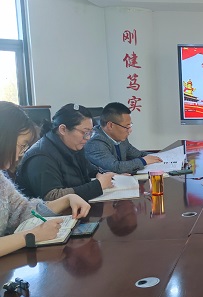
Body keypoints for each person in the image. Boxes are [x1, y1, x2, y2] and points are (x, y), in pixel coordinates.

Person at [0, 101, 90, 257]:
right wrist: (32, 236)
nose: (22, 153)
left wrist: (67, 199)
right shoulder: (42, 154)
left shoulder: (1, 180)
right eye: (22, 145)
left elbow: (23, 211)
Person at [16, 103, 114, 201]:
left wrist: (102, 174)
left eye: (90, 133)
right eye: (85, 132)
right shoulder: (41, 157)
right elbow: (52, 197)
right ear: (63, 129)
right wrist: (98, 185)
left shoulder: (73, 146)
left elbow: (89, 169)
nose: (88, 138)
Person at [84, 102, 161, 174]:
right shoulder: (95, 142)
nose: (130, 130)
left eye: (130, 125)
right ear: (110, 125)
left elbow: (139, 154)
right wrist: (143, 161)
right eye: (127, 127)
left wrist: (161, 157)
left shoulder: (120, 137)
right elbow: (115, 167)